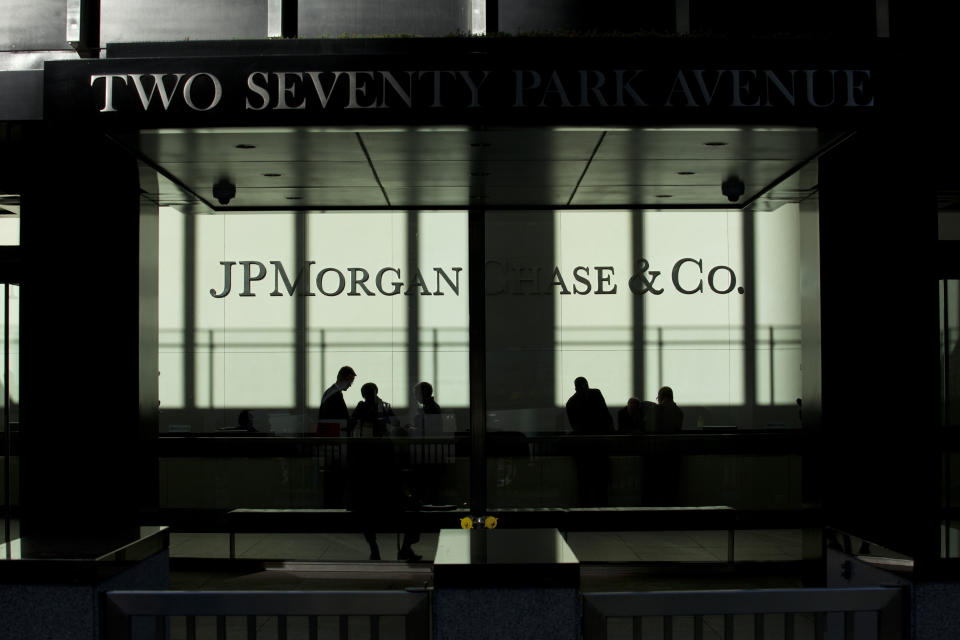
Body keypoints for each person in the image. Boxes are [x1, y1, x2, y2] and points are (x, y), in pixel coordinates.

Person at [346, 382, 422, 561]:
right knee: (413, 510)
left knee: (366, 514)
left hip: (369, 493)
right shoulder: (382, 411)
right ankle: (405, 549)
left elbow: (351, 426)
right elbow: (396, 425)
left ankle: (374, 549)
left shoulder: (363, 411)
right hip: (388, 494)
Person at [565, 376, 613, 506]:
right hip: (599, 444)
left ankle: (586, 508)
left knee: (586, 483)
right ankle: (601, 507)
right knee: (601, 482)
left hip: (586, 447)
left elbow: (576, 427)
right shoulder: (595, 394)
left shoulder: (571, 403)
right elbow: (606, 416)